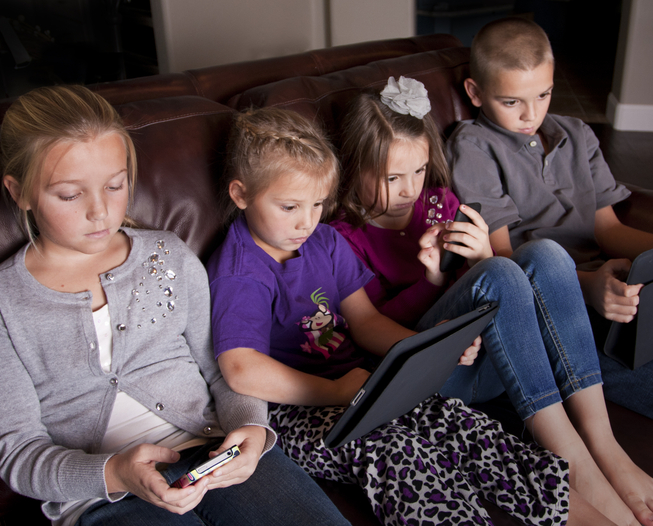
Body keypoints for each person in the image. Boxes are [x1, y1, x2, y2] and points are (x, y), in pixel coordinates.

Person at [206, 106, 624, 526]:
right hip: (297, 409)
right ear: (241, 194)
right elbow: (241, 370)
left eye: (317, 204)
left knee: (468, 431)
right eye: (289, 207)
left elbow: (366, 321)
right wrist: (335, 391)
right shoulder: (240, 270)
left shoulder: (325, 241)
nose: (307, 222)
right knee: (401, 454)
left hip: (365, 383)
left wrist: (428, 347)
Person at [0, 85, 350, 526]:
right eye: (69, 195)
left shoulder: (168, 255)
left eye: (115, 185)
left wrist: (253, 431)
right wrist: (113, 471)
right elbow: (20, 455)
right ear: (19, 191)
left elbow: (221, 371)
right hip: (105, 497)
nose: (100, 211)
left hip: (211, 451)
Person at [330, 79, 653, 526]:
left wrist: (480, 259)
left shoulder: (439, 203)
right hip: (431, 378)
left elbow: (494, 291)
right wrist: (435, 278)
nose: (411, 190)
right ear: (355, 169)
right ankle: (570, 459)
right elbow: (371, 328)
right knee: (500, 272)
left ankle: (601, 442)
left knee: (545, 254)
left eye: (419, 171)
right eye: (394, 177)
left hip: (497, 359)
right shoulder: (341, 238)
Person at [445, 16, 653, 526]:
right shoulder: (474, 148)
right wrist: (590, 288)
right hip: (563, 316)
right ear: (476, 92)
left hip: (621, 290)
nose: (531, 114)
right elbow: (505, 263)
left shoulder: (576, 134)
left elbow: (610, 230)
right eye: (512, 102)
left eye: (544, 95)